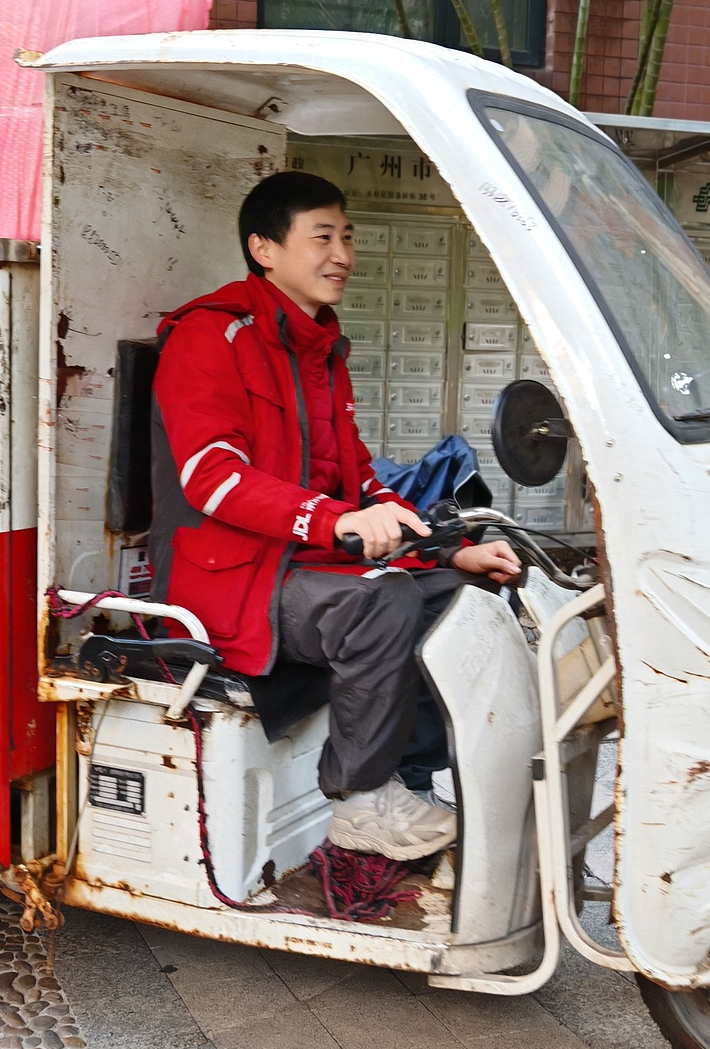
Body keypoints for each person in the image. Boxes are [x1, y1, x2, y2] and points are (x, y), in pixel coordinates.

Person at [149, 171, 522, 861]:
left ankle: (406, 775)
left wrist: (446, 552)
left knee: (467, 597)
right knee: (380, 604)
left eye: (346, 236)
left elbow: (363, 480)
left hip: (303, 567)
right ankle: (357, 800)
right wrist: (331, 521)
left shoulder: (318, 347)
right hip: (234, 579)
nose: (343, 254)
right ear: (264, 248)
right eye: (323, 236)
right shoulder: (211, 337)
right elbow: (211, 478)